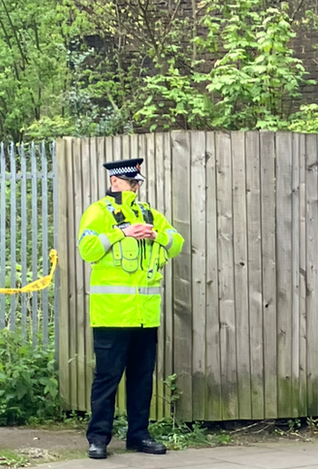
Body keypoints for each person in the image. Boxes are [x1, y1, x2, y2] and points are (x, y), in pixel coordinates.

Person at [77, 158, 184, 459]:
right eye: (131, 182)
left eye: (138, 182)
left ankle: (139, 435)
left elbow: (177, 244)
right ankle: (98, 439)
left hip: (145, 316)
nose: (136, 187)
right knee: (106, 380)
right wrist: (120, 234)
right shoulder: (98, 212)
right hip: (111, 314)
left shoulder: (148, 213)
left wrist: (157, 235)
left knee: (141, 379)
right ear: (114, 182)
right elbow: (87, 250)